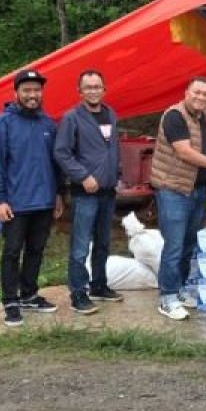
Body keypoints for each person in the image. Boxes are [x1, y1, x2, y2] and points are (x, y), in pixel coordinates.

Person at [149, 76, 206, 320]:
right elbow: (184, 152)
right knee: (174, 245)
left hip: (197, 190)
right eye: (196, 92)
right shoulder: (174, 116)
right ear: (186, 91)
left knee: (189, 245)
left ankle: (180, 291)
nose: (201, 98)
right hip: (173, 189)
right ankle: (166, 297)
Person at [0, 69, 64, 328]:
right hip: (15, 203)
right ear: (16, 93)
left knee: (36, 250)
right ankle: (10, 300)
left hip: (44, 200)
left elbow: (55, 163)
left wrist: (59, 194)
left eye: (37, 90)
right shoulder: (1, 123)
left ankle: (29, 294)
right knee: (11, 252)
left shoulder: (48, 124)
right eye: (27, 90)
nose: (32, 95)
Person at [53, 69, 123, 316]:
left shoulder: (111, 114)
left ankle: (99, 285)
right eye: (88, 87)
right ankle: (78, 292)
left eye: (97, 86)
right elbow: (62, 153)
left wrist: (119, 173)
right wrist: (83, 176)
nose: (93, 91)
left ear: (104, 89)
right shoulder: (72, 118)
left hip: (108, 190)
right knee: (81, 245)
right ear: (80, 91)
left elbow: (113, 147)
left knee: (104, 242)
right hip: (85, 193)